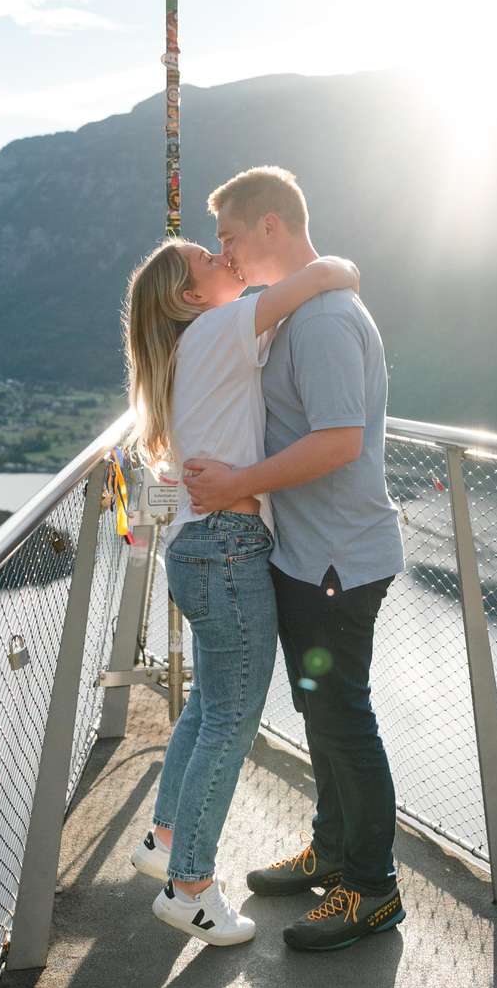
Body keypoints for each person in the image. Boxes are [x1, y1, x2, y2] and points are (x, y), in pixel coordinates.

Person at [183, 166, 408, 952]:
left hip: (340, 560)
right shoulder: (296, 312)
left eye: (231, 236)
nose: (227, 251)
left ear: (270, 225)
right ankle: (334, 852)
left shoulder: (321, 323)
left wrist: (240, 483)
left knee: (343, 718)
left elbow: (340, 441)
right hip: (311, 556)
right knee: (321, 710)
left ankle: (372, 890)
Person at [119, 234, 361, 947]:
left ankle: (166, 838)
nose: (225, 260)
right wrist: (346, 270)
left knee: (208, 705)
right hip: (227, 549)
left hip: (200, 547)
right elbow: (321, 275)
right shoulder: (222, 327)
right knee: (231, 719)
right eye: (207, 257)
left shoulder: (195, 346)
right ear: (190, 296)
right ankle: (190, 887)